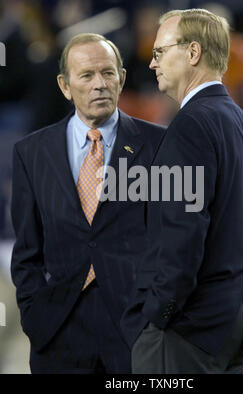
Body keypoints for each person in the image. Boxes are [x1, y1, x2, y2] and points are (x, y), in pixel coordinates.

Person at [120, 9, 243, 374]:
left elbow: (181, 234)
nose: (152, 64)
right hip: (232, 324)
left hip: (185, 329)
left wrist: (160, 312)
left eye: (159, 53)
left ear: (192, 53)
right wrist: (239, 289)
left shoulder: (188, 126)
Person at [10, 33, 165, 374]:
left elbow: (173, 241)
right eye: (87, 76)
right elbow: (26, 253)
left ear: (122, 78)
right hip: (57, 332)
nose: (100, 84)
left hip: (136, 334)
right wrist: (35, 315)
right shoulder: (31, 153)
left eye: (108, 73)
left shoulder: (160, 145)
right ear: (65, 86)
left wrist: (159, 318)